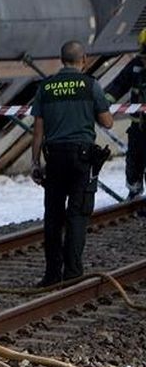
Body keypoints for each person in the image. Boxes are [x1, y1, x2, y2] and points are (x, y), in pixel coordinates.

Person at [30, 40, 114, 286]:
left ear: (61, 60)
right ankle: (73, 274)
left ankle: (51, 275)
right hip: (82, 159)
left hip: (54, 159)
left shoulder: (46, 87)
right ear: (83, 59)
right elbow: (107, 122)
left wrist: (35, 163)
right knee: (77, 215)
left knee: (53, 217)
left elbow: (37, 132)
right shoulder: (90, 85)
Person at [104, 29, 146, 200]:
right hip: (138, 127)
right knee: (134, 161)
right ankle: (134, 193)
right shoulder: (136, 66)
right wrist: (103, 103)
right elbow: (118, 85)